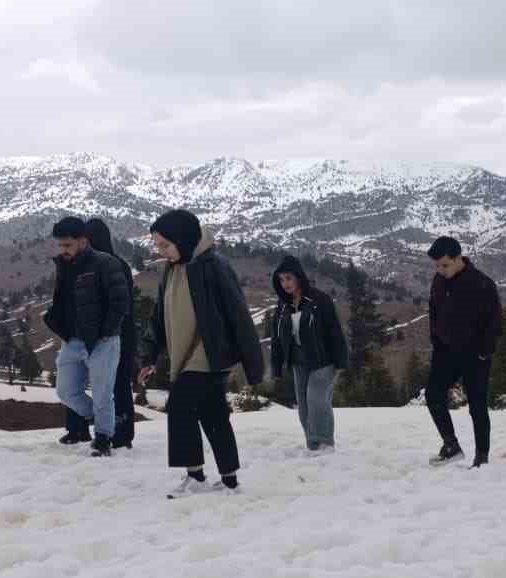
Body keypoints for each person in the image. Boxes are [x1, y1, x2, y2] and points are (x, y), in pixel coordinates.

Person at [137, 209, 265, 497]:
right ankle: (230, 481)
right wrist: (149, 357)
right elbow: (159, 317)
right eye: (157, 245)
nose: (161, 251)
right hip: (184, 355)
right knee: (213, 414)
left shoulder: (214, 266)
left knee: (179, 407)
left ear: (183, 239)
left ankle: (195, 476)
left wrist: (253, 365)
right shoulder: (172, 269)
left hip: (210, 353)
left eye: (165, 245)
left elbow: (238, 313)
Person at [42, 215, 131, 457]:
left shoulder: (106, 263)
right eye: (60, 245)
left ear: (83, 241)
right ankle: (103, 420)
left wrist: (106, 332)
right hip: (72, 340)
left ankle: (103, 438)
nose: (63, 249)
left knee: (103, 393)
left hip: (103, 341)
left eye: (68, 244)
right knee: (66, 391)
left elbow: (121, 302)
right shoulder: (64, 265)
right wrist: (55, 320)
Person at [424, 236, 502, 467]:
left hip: (475, 355)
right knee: (433, 395)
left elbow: (495, 323)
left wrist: (483, 352)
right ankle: (451, 446)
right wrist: (436, 341)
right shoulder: (439, 281)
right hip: (446, 352)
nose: (440, 270)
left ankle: (482, 458)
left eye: (445, 265)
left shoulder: (482, 284)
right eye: (437, 266)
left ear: (459, 258)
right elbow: (434, 311)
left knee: (477, 406)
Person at [268, 255, 349, 454]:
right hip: (299, 361)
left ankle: (325, 444)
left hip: (323, 360)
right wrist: (276, 367)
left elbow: (334, 331)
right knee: (303, 405)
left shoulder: (319, 300)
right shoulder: (282, 306)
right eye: (281, 279)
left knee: (316, 400)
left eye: (289, 278)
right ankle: (313, 445)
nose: (285, 283)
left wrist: (341, 361)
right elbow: (277, 338)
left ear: (298, 277)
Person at [85, 217, 138, 449]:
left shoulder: (111, 265)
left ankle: (122, 433)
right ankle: (115, 431)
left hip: (117, 333)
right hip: (114, 332)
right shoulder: (112, 263)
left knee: (117, 384)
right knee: (112, 384)